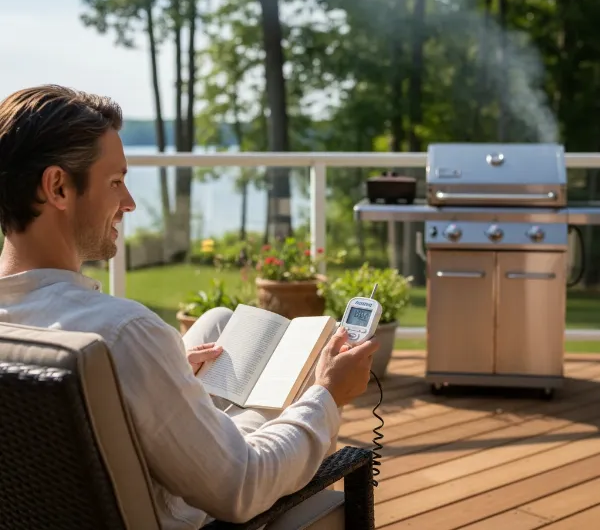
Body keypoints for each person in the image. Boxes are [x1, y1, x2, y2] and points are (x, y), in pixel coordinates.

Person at [0, 85, 379, 529]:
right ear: (58, 187)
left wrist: (165, 367)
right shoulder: (125, 334)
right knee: (306, 378)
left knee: (219, 323)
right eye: (115, 182)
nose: (129, 203)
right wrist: (329, 394)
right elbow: (243, 487)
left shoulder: (55, 331)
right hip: (198, 502)